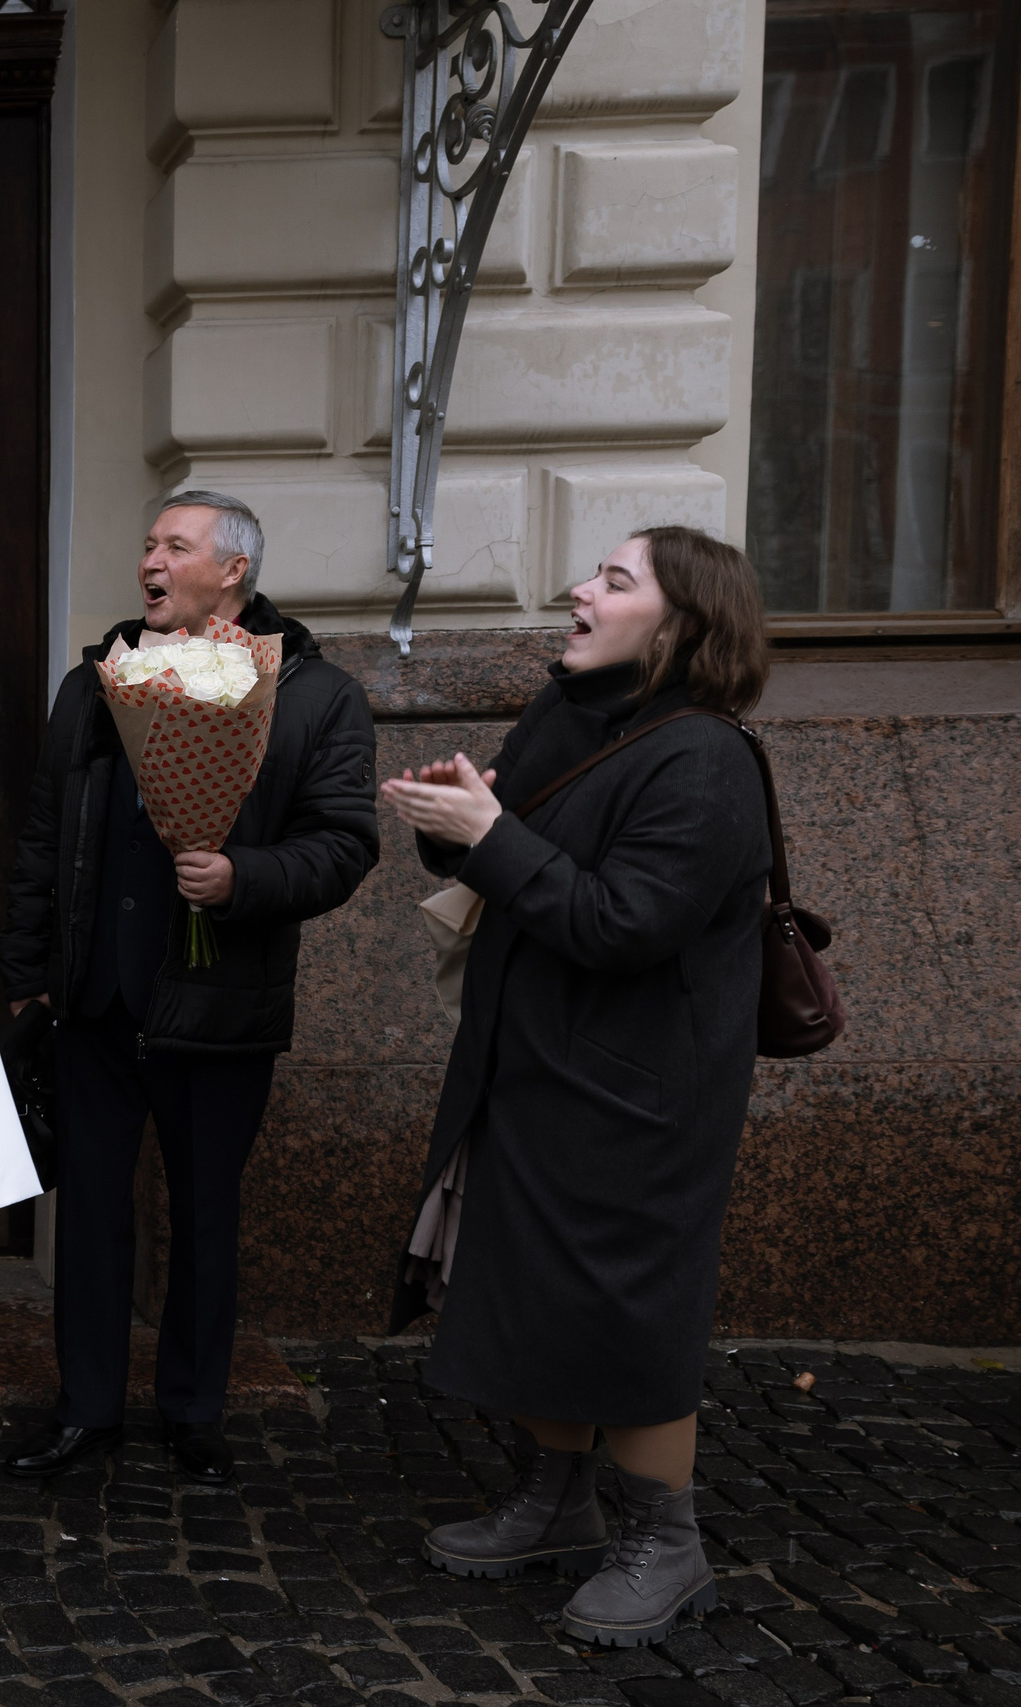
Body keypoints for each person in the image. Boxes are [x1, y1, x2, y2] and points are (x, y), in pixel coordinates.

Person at [379, 527, 772, 1649]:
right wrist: (459, 823)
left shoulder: (705, 759)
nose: (576, 591)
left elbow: (624, 922)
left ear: (685, 622)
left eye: (612, 580)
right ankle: (555, 1501)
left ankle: (668, 1539)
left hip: (640, 1096)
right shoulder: (571, 710)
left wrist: (490, 835)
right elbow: (523, 851)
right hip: (531, 1063)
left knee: (626, 1306)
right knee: (532, 1284)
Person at [0, 491, 379, 1483]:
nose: (149, 562)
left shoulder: (311, 693)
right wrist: (31, 979)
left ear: (231, 573)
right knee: (86, 1212)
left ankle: (192, 1411)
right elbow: (43, 840)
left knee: (206, 1216)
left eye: (174, 546)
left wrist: (242, 879)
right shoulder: (94, 684)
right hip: (95, 1001)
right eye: (147, 543)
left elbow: (343, 845)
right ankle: (86, 1408)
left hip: (217, 1001)